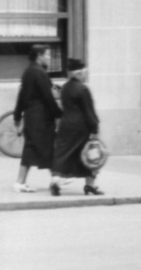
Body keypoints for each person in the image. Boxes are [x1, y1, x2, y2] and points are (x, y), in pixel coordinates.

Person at [50, 59, 101, 196]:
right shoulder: (83, 89)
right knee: (90, 154)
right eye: (84, 72)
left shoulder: (65, 87)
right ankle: (90, 185)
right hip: (81, 127)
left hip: (66, 125)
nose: (85, 75)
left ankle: (56, 181)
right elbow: (88, 111)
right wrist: (95, 128)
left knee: (64, 154)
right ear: (79, 73)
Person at [11, 44, 58, 193]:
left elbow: (21, 96)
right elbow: (48, 97)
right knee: (47, 147)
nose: (50, 58)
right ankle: (56, 179)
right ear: (39, 56)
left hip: (31, 117)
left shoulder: (28, 72)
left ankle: (20, 182)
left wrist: (17, 116)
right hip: (41, 118)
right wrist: (59, 113)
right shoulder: (39, 72)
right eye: (48, 55)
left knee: (31, 148)